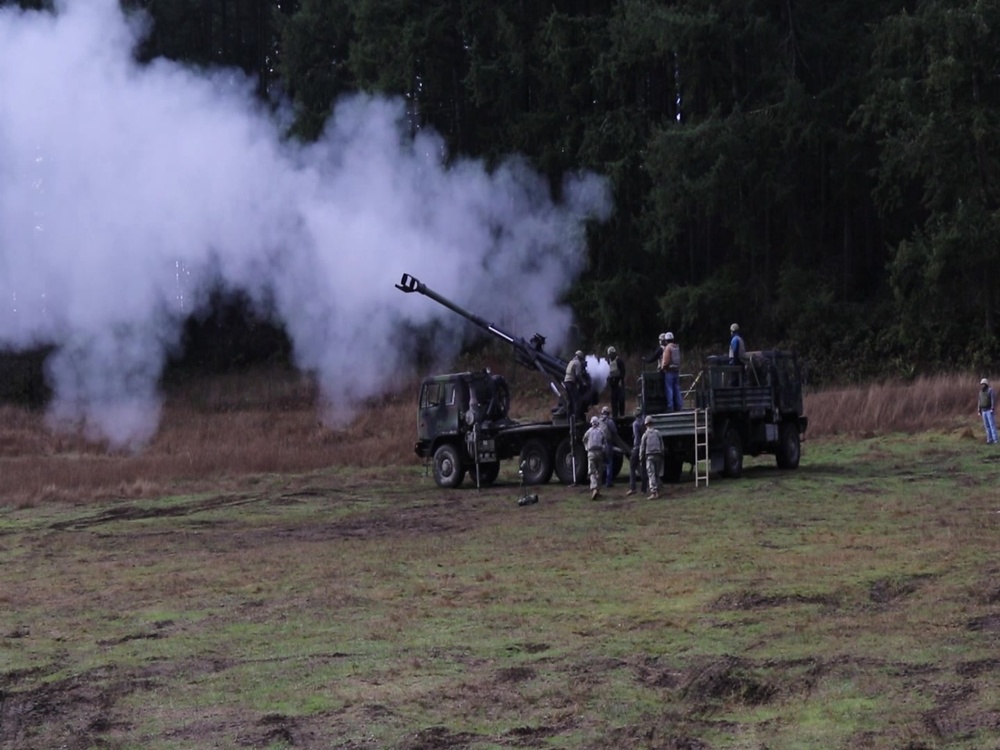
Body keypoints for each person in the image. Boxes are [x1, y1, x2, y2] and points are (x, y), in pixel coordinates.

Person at [599, 405, 629, 488]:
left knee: (601, 464)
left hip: (600, 445)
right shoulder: (609, 421)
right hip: (608, 444)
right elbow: (614, 431)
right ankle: (608, 482)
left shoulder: (598, 421)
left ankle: (599, 481)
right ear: (608, 413)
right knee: (609, 463)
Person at [638, 415, 664, 499]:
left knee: (651, 473)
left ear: (646, 424)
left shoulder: (645, 435)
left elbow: (642, 448)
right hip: (658, 455)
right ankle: (658, 488)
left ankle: (654, 492)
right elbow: (662, 445)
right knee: (657, 473)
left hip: (649, 456)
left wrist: (641, 458)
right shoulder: (658, 433)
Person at [583, 415, 608, 499]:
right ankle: (598, 489)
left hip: (591, 453)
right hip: (599, 452)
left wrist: (586, 447)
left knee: (592, 472)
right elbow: (605, 441)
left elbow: (584, 440)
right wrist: (603, 449)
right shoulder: (601, 431)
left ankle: (594, 489)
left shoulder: (588, 431)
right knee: (600, 472)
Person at [626, 406, 648, 497]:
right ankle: (644, 489)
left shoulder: (635, 423)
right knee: (643, 468)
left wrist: (635, 447)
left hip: (637, 447)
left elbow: (636, 437)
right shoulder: (644, 423)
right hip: (645, 447)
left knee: (632, 466)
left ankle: (633, 488)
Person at [659, 332, 683, 411]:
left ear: (666, 340)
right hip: (676, 370)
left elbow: (666, 361)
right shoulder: (676, 347)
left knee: (669, 389)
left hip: (669, 371)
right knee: (677, 388)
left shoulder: (667, 348)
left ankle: (670, 407)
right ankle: (679, 406)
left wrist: (663, 368)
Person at [563, 350, 586, 422]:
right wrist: (583, 383)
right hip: (571, 383)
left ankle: (569, 419)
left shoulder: (571, 362)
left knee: (570, 401)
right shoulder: (577, 363)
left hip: (566, 382)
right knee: (577, 400)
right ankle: (576, 418)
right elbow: (578, 374)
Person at [606, 346, 627, 418]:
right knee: (613, 400)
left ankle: (622, 414)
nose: (610, 356)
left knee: (621, 398)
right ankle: (615, 415)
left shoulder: (619, 361)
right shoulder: (608, 361)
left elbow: (623, 371)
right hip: (612, 383)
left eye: (611, 354)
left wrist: (621, 379)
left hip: (619, 382)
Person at [978, 378, 997, 445]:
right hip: (983, 411)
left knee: (992, 425)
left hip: (989, 410)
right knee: (987, 426)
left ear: (986, 384)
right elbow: (979, 401)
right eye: (981, 384)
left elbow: (992, 400)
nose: (982, 385)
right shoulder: (981, 392)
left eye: (983, 384)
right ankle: (989, 440)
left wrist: (992, 408)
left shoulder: (990, 390)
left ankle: (995, 440)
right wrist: (979, 410)